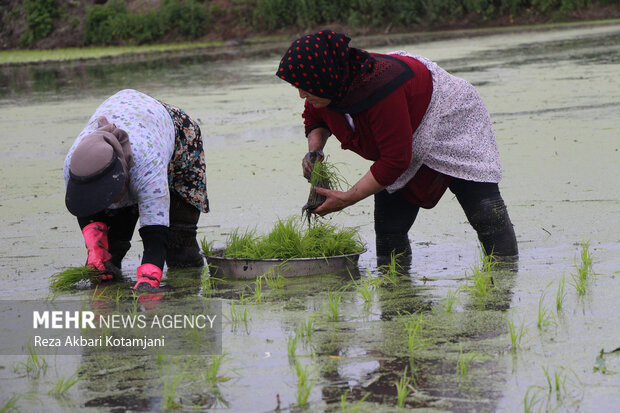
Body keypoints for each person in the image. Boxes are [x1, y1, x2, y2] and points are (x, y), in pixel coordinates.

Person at [276, 30, 518, 262]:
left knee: (486, 212)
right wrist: (315, 150)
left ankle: (505, 276)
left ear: (325, 78)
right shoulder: (327, 88)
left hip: (451, 120)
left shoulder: (381, 91)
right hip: (402, 135)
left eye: (304, 88)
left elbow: (395, 160)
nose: (300, 95)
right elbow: (315, 117)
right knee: (389, 229)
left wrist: (348, 198)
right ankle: (395, 289)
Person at [63, 89, 209, 291]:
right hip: (131, 123)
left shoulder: (146, 164)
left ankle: (188, 295)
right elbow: (85, 208)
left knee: (180, 247)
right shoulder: (74, 166)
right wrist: (95, 247)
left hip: (174, 134)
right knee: (110, 253)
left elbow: (155, 230)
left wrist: (150, 277)